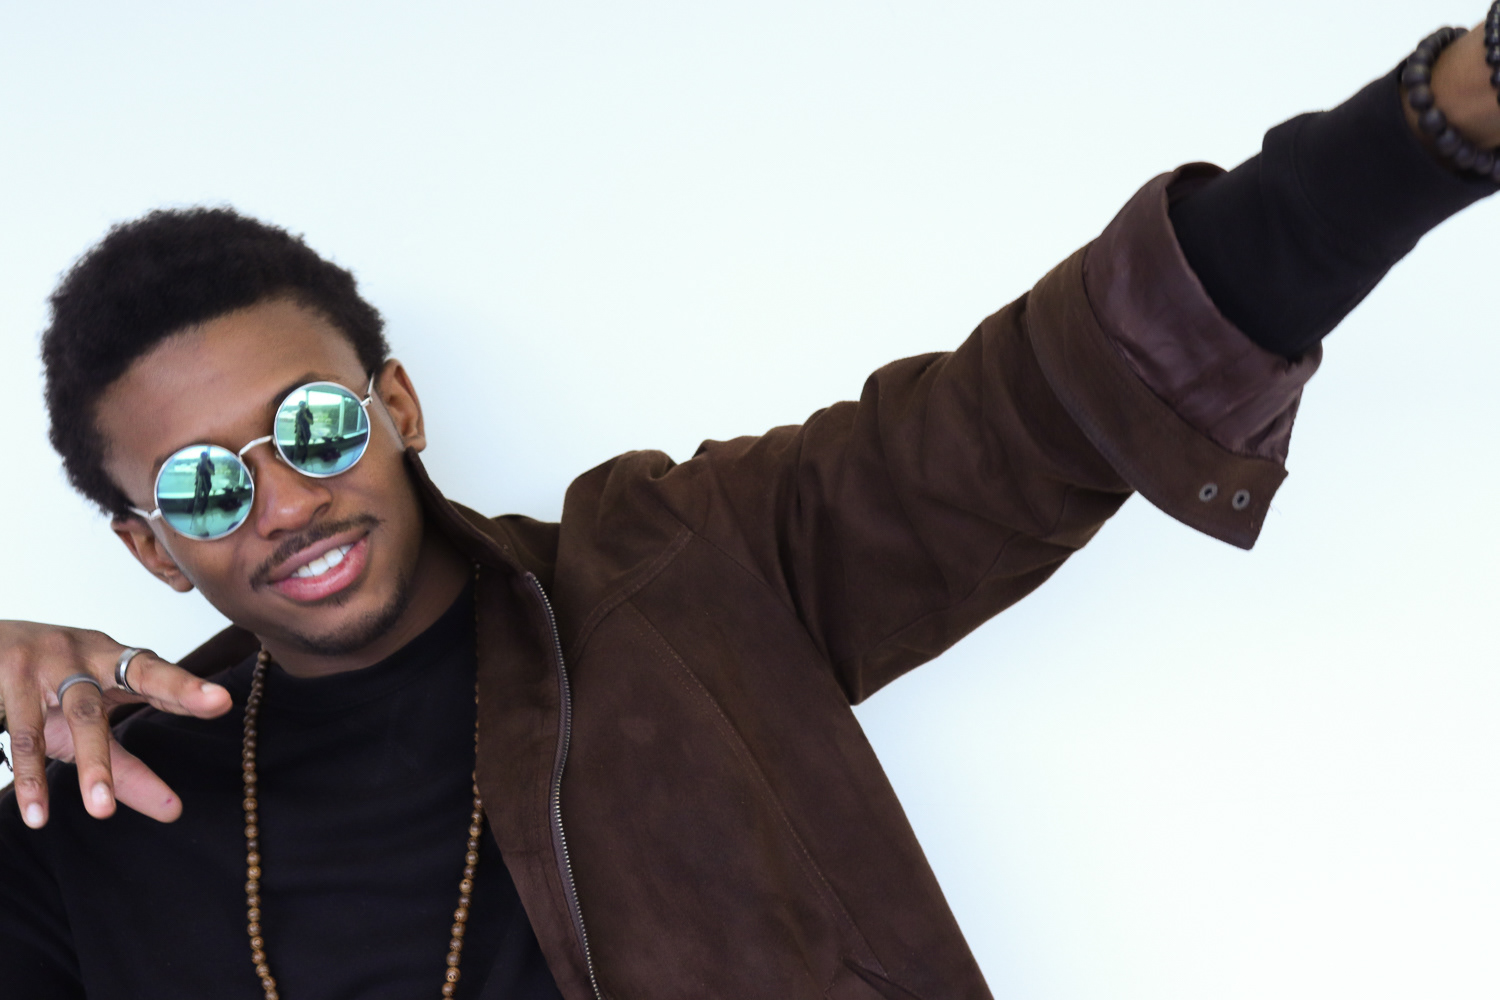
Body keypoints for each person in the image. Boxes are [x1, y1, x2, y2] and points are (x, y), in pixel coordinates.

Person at [0, 16, 1497, 1000]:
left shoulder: (681, 576)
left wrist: (1434, 126)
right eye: (203, 483)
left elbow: (1047, 396)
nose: (284, 500)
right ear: (150, 548)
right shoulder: (94, 820)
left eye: (314, 425)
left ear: (395, 407)